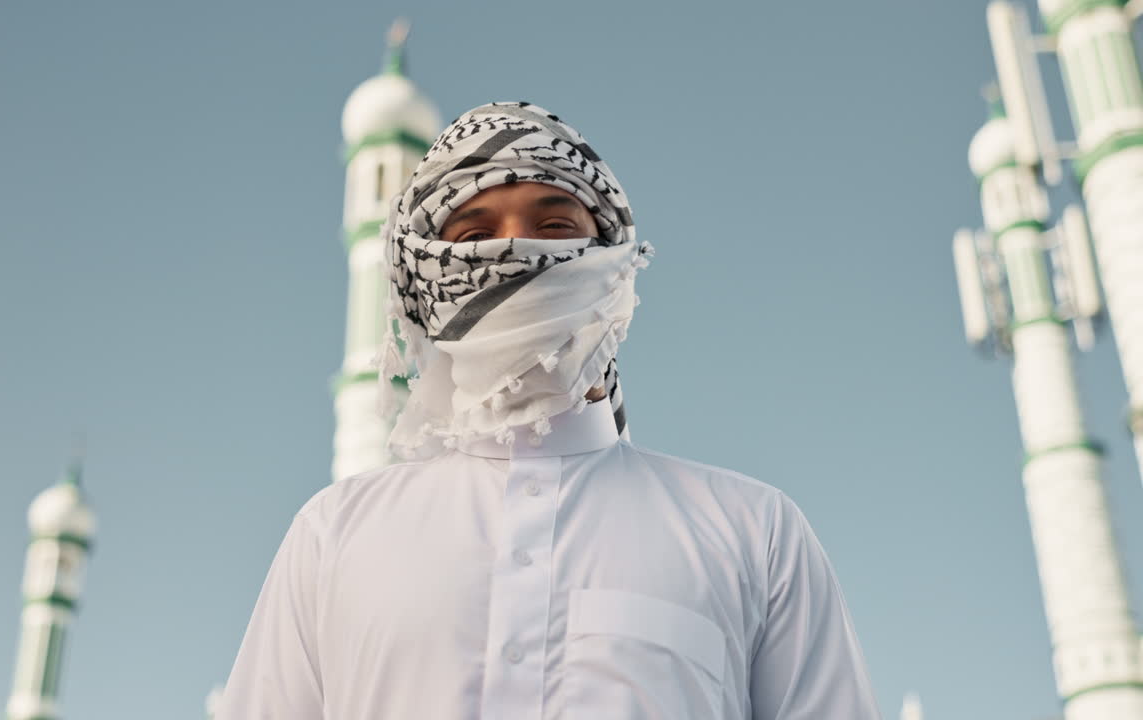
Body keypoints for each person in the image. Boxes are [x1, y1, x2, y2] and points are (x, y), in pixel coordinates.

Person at [219, 101, 881, 720]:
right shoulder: (335, 537)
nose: (515, 253)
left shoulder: (752, 534)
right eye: (476, 233)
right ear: (428, 277)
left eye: (555, 227)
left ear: (614, 263)